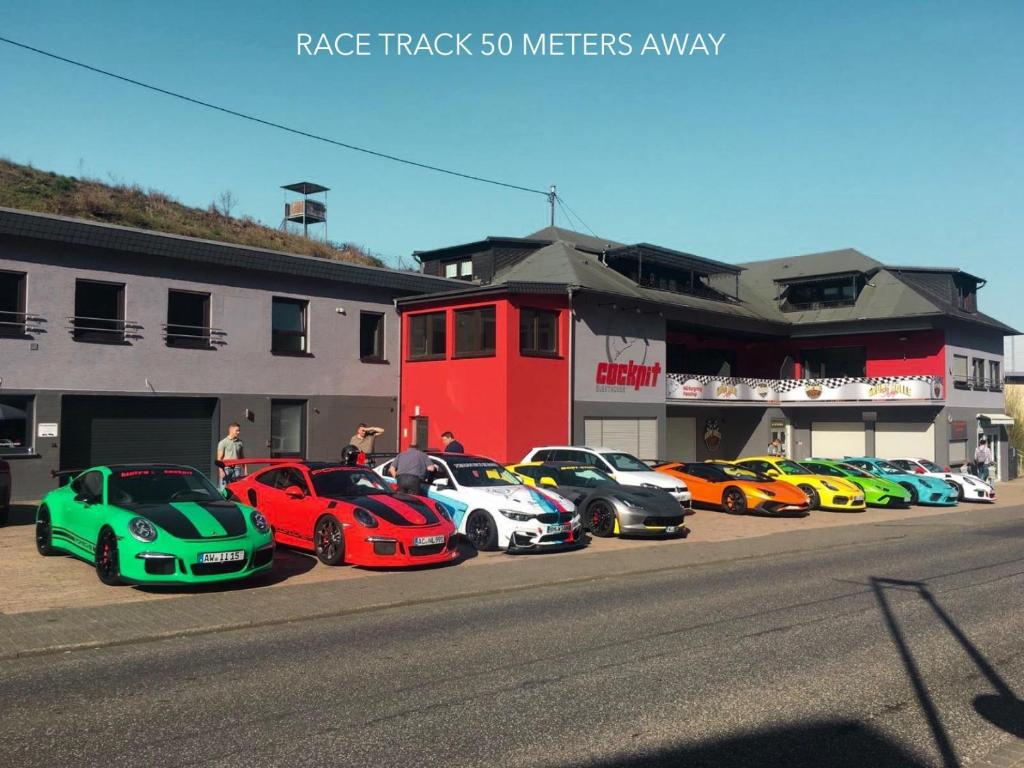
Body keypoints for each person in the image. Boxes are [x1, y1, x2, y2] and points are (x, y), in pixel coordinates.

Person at [216, 422, 245, 489]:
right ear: (231, 430)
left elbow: (242, 457)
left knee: (235, 489)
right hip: (226, 469)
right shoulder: (223, 442)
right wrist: (221, 471)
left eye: (239, 430)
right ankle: (223, 499)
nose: (238, 432)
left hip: (237, 469)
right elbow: (219, 458)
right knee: (224, 489)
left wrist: (245, 470)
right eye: (237, 430)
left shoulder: (240, 442)